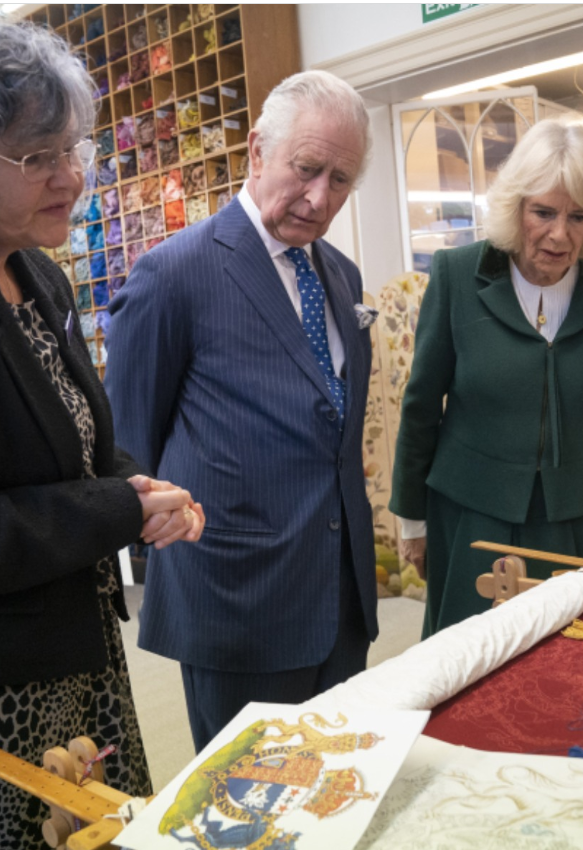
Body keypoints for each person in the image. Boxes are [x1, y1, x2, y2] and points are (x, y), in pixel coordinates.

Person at [0, 11, 203, 848]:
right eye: (35, 156)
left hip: (78, 656)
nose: (70, 176)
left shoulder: (39, 276)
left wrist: (143, 487)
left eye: (74, 149)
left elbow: (74, 448)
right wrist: (117, 511)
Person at [105, 70, 378, 752]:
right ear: (257, 151)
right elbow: (127, 447)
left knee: (335, 792)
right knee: (246, 809)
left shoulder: (340, 274)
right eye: (306, 168)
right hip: (236, 599)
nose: (319, 198)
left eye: (340, 180)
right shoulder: (175, 273)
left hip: (340, 595)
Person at [389, 118, 583, 637]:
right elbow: (421, 405)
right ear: (516, 207)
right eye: (543, 212)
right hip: (472, 512)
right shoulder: (458, 273)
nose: (559, 234)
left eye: (578, 217)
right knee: (471, 657)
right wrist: (411, 519)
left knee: (571, 660)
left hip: (578, 512)